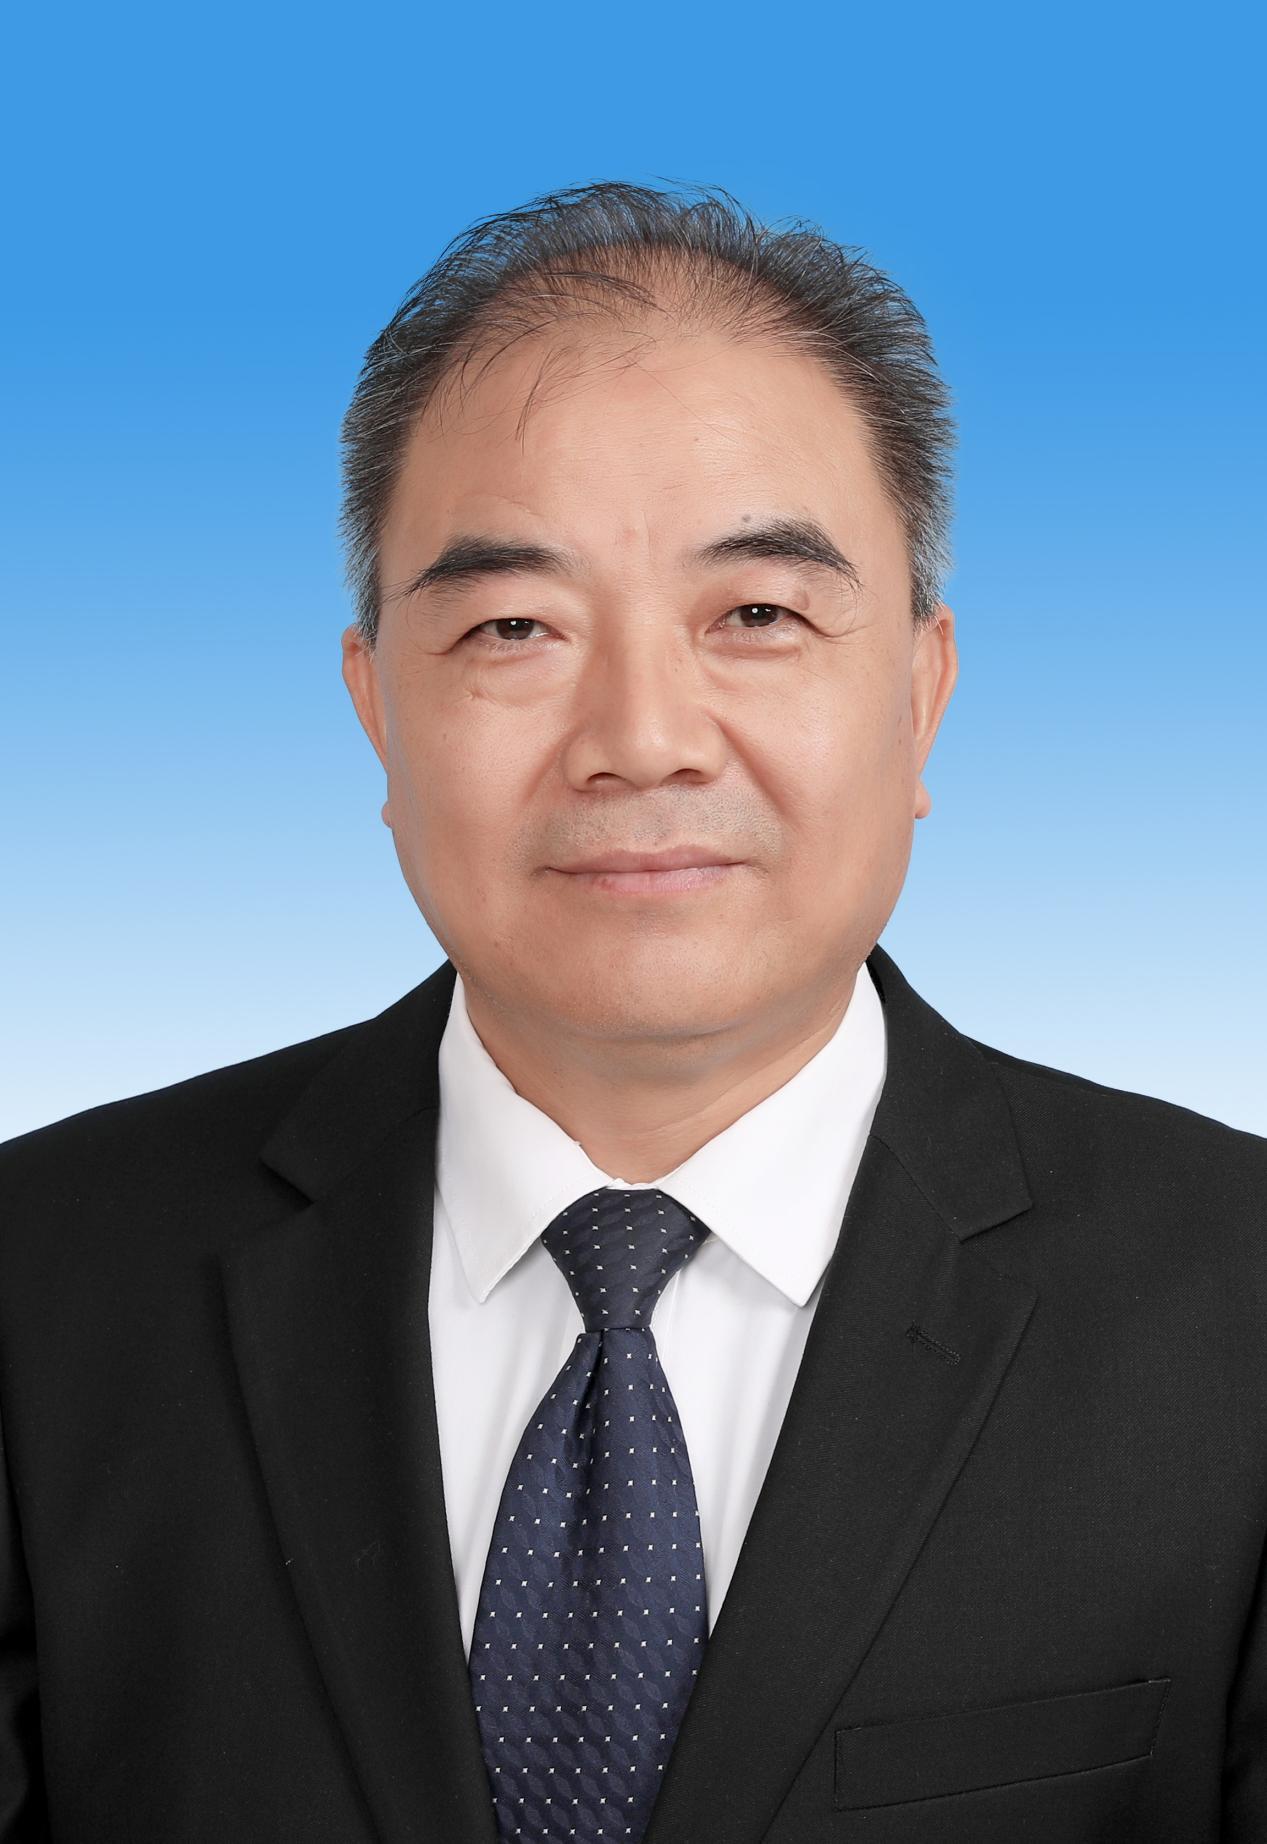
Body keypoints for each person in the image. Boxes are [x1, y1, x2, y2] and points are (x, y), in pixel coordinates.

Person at [1, 179, 1263, 1844]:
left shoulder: (1240, 1304)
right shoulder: (40, 1281)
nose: (643, 739)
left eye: (758, 615)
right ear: (376, 707)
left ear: (921, 691)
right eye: (514, 626)